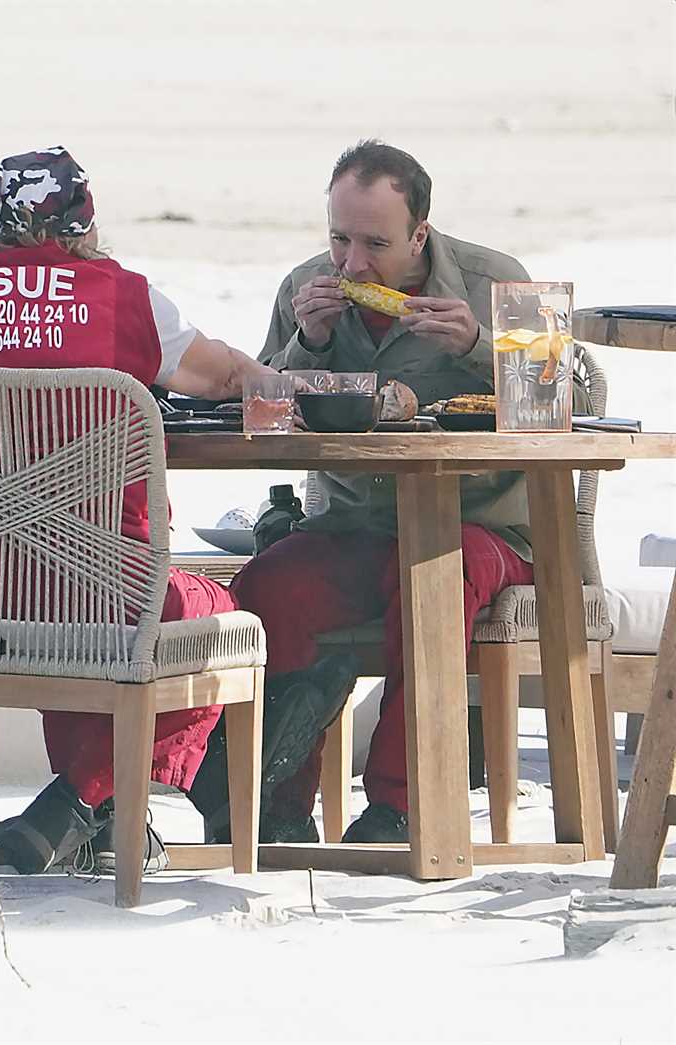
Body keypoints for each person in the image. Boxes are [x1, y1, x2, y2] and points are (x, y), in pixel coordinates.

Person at [0, 147, 356, 875]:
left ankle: (101, 818)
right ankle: (81, 799)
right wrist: (280, 375)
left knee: (99, 603)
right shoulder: (123, 298)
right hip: (103, 591)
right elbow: (224, 377)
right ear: (87, 224)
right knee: (213, 611)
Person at [226, 139, 547, 843]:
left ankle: (401, 804)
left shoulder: (497, 281)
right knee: (269, 584)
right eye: (340, 239)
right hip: (355, 522)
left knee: (431, 576)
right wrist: (307, 343)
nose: (352, 265)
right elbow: (263, 418)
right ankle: (274, 804)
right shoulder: (304, 287)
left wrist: (479, 347)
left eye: (376, 243)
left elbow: (570, 402)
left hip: (483, 528)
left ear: (420, 233)